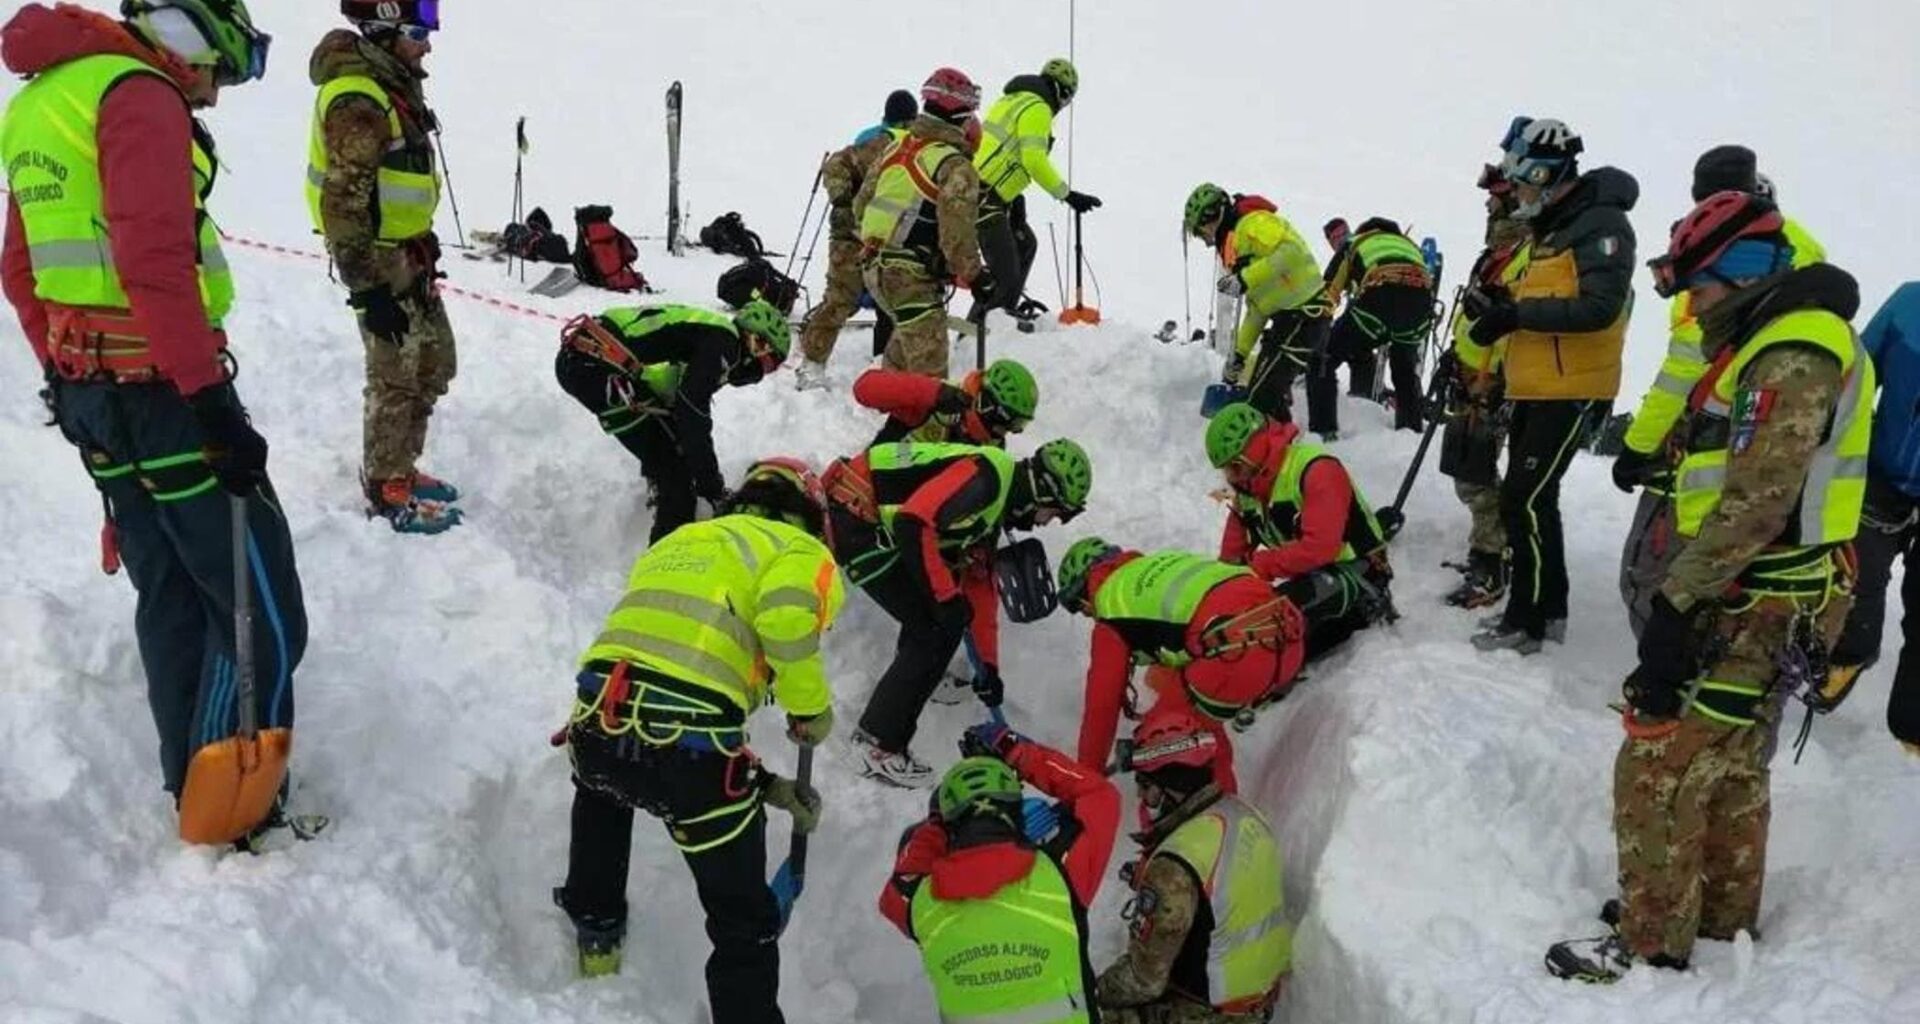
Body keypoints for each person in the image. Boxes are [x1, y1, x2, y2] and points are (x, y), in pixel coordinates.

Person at [2, 0, 310, 846]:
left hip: (96, 391)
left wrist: (62, 378)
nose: (211, 96)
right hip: (163, 392)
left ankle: (190, 781)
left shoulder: (40, 100)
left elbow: (20, 268)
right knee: (260, 601)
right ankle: (234, 800)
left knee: (170, 588)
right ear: (193, 34)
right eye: (217, 71)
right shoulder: (138, 94)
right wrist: (211, 402)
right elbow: (153, 261)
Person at [1546, 192, 1872, 983]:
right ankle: (1721, 912)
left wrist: (1676, 603)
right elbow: (1746, 467)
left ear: (1743, 275)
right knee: (1730, 757)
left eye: (1701, 287)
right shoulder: (1781, 343)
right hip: (1778, 592)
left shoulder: (1792, 352)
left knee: (1658, 755)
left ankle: (1654, 936)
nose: (1692, 304)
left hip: (1756, 596)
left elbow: (1758, 501)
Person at [554, 459, 843, 1023]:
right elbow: (785, 623)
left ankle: (597, 932)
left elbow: (669, 680)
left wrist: (767, 786)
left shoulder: (685, 538)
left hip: (597, 719)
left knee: (604, 793)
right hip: (690, 754)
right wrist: (811, 709)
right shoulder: (799, 550)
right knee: (743, 921)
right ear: (808, 514)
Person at [1612, 146, 1828, 639]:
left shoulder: (1720, 254)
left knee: (1657, 568)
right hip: (1777, 444)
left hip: (1708, 437)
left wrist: (1638, 445)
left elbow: (1685, 367)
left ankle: (1666, 663)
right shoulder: (1796, 253)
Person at [822, 438, 1093, 785]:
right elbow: (913, 523)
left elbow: (979, 586)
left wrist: (988, 668)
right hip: (855, 515)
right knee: (933, 628)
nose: (1049, 522)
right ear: (1044, 493)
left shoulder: (996, 506)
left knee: (939, 619)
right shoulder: (989, 477)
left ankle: (920, 681)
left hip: (871, 522)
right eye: (1057, 513)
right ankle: (877, 744)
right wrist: (947, 599)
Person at [1464, 118, 1638, 654]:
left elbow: (1598, 307)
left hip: (1570, 389)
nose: (1513, 192)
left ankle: (1526, 621)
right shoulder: (1554, 227)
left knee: (1522, 500)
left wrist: (1515, 316)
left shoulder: (1598, 224)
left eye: (1519, 180)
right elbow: (1541, 296)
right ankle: (1550, 608)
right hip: (1538, 386)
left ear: (1541, 172)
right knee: (1536, 502)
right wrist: (1497, 308)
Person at [308, 0, 462, 533]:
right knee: (395, 374)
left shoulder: (393, 87)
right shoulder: (359, 97)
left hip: (409, 251)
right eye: (418, 32)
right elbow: (343, 201)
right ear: (384, 32)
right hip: (376, 259)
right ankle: (385, 484)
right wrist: (367, 291)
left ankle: (404, 465)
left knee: (434, 363)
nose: (427, 43)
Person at [880, 725, 1118, 1024]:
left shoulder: (917, 903)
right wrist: (1017, 752)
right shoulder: (1060, 875)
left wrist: (937, 823)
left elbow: (901, 882)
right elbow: (1100, 796)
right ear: (1016, 812)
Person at [1056, 540, 1308, 792]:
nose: (1088, 615)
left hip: (1238, 656)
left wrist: (1085, 780)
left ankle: (1214, 818)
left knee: (1162, 742)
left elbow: (1101, 706)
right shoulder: (1160, 567)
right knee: (1195, 718)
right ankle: (1224, 803)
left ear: (1083, 593)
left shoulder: (1111, 604)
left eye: (1081, 609)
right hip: (1288, 637)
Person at [1096, 707, 1292, 1023]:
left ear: (1168, 788)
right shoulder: (1243, 814)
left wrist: (1093, 990)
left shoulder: (1175, 864)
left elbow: (1144, 980)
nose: (1142, 798)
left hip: (1213, 1013)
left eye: (1145, 787)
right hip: (1260, 996)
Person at [553, 300, 791, 544]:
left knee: (673, 451)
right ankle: (662, 568)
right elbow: (691, 411)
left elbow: (676, 398)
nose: (762, 372)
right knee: (678, 482)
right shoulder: (725, 344)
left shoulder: (711, 335)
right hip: (595, 365)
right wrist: (712, 487)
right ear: (756, 342)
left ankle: (663, 489)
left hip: (588, 357)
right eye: (768, 362)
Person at [1205, 403, 1393, 656]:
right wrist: (1219, 591)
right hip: (1309, 572)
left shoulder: (1316, 470)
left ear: (1255, 450)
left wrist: (1259, 565)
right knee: (1239, 610)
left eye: (1236, 466)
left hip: (1357, 571)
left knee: (1272, 621)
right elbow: (1232, 558)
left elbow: (1320, 548)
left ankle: (1362, 610)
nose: (1231, 477)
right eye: (1225, 470)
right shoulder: (1249, 488)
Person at [1826, 281, 1920, 754]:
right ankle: (1850, 654)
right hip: (1882, 472)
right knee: (1857, 572)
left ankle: (1913, 729)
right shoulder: (1910, 303)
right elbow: (1860, 376)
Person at [853, 67, 985, 378]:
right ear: (961, 116)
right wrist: (975, 276)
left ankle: (891, 411)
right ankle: (921, 422)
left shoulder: (894, 148)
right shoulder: (954, 165)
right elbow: (957, 230)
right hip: (911, 276)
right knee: (930, 383)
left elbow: (860, 207)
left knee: (903, 349)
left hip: (872, 268)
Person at [1440, 165, 1530, 609]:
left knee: (1473, 473)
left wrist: (1487, 379)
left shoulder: (1526, 255)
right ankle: (1493, 547)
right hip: (1472, 373)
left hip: (1493, 382)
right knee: (1470, 469)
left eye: (1494, 197)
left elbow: (1510, 322)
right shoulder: (1496, 255)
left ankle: (1492, 558)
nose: (1487, 205)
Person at [793, 89, 917, 391]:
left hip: (880, 233)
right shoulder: (886, 142)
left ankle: (881, 365)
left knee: (879, 301)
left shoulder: (884, 140)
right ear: (909, 119)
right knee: (843, 299)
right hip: (854, 234)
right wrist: (844, 202)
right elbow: (836, 163)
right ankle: (812, 363)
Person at [966, 58, 1101, 330]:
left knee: (1025, 244)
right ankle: (985, 335)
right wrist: (1068, 195)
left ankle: (993, 319)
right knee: (1006, 274)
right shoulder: (1038, 107)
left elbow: (1003, 152)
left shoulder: (1011, 101)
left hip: (983, 191)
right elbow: (1033, 160)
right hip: (985, 197)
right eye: (1067, 100)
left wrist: (1014, 198)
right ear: (1062, 93)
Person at [1183, 184, 1331, 427]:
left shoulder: (1252, 223)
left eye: (1200, 231)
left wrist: (1244, 278)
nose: (1203, 239)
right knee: (1261, 392)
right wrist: (1238, 355)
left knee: (1263, 396)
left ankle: (1280, 453)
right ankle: (1278, 444)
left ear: (1212, 216)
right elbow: (1258, 308)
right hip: (1289, 319)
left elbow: (1291, 253)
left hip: (1305, 314)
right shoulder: (1235, 244)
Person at [1320, 216, 1438, 433]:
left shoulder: (1354, 243)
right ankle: (1409, 433)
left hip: (1380, 299)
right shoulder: (1407, 245)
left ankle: (1322, 429)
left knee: (1324, 357)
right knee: (1404, 371)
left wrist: (1316, 330)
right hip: (1420, 308)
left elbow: (1327, 295)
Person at [853, 357, 1037, 447]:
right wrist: (932, 393)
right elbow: (864, 388)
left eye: (1021, 424)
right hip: (874, 485)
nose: (1013, 431)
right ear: (988, 406)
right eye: (1013, 423)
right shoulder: (936, 400)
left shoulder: (992, 446)